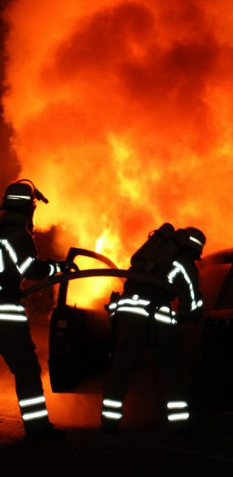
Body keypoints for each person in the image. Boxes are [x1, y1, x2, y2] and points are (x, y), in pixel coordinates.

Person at [100, 224, 206, 434]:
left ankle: (108, 423)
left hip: (127, 313)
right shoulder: (184, 264)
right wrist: (191, 316)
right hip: (157, 318)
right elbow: (193, 304)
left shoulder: (151, 254)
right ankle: (179, 425)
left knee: (120, 369)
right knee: (171, 372)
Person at [0, 179, 75, 442]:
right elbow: (30, 269)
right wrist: (58, 268)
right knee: (27, 371)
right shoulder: (18, 236)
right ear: (29, 208)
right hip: (5, 313)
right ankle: (37, 430)